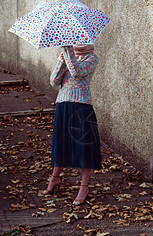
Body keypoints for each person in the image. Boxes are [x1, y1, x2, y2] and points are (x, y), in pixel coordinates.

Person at [43, 44, 101, 205]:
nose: (77, 43)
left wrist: (66, 52)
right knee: (61, 144)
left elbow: (77, 72)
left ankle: (84, 187)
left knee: (83, 146)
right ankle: (54, 180)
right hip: (63, 105)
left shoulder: (92, 58)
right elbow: (54, 81)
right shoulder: (67, 56)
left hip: (82, 106)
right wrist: (61, 61)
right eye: (74, 41)